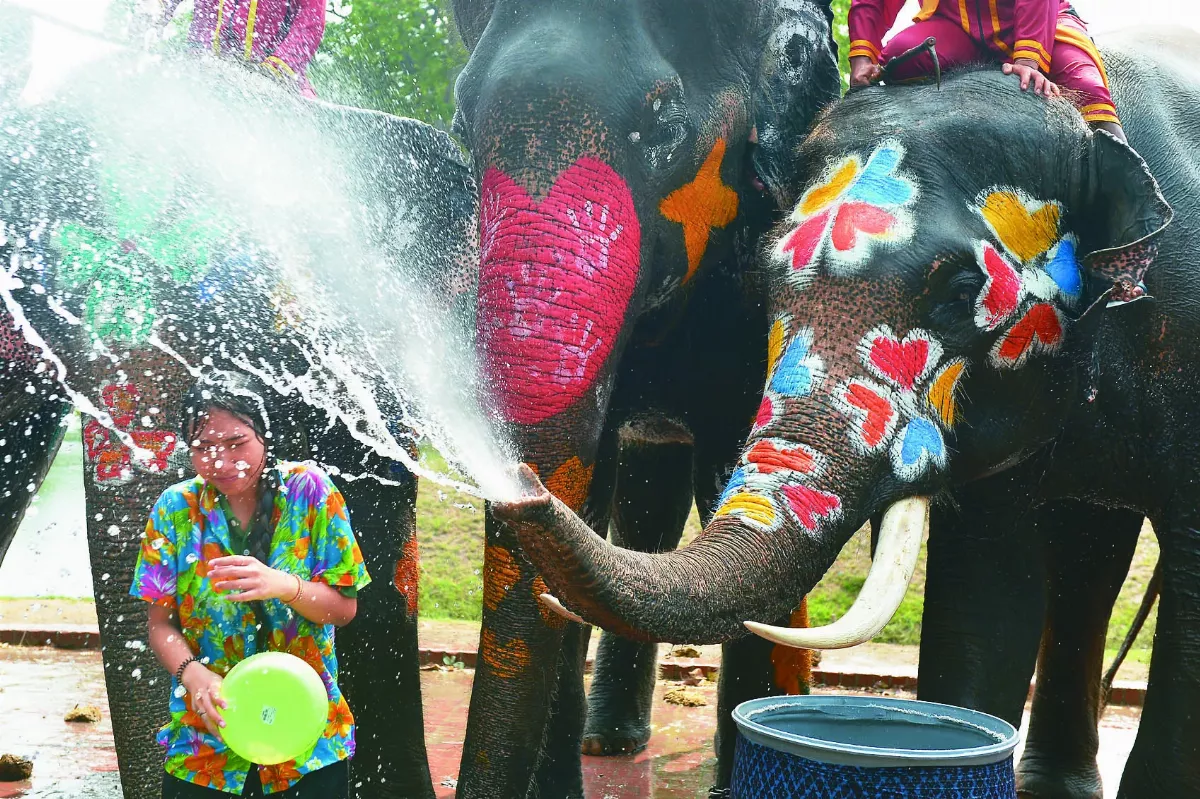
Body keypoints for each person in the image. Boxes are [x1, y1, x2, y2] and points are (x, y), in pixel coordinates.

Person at [130, 369, 369, 797]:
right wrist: (193, 675)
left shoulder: (310, 492)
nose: (220, 462)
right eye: (203, 447)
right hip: (205, 744)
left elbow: (344, 610)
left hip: (306, 740)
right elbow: (160, 625)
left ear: (265, 434)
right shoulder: (175, 508)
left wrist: (285, 586)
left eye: (236, 443)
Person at [847, 0, 1129, 142]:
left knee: (1084, 86)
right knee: (901, 57)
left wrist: (1028, 61)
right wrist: (862, 56)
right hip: (956, 25)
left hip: (1040, 24)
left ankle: (1133, 193)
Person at [156, 0, 326, 98]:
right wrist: (153, 11)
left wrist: (275, 70)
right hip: (200, 69)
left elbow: (311, 22)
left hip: (274, 82)